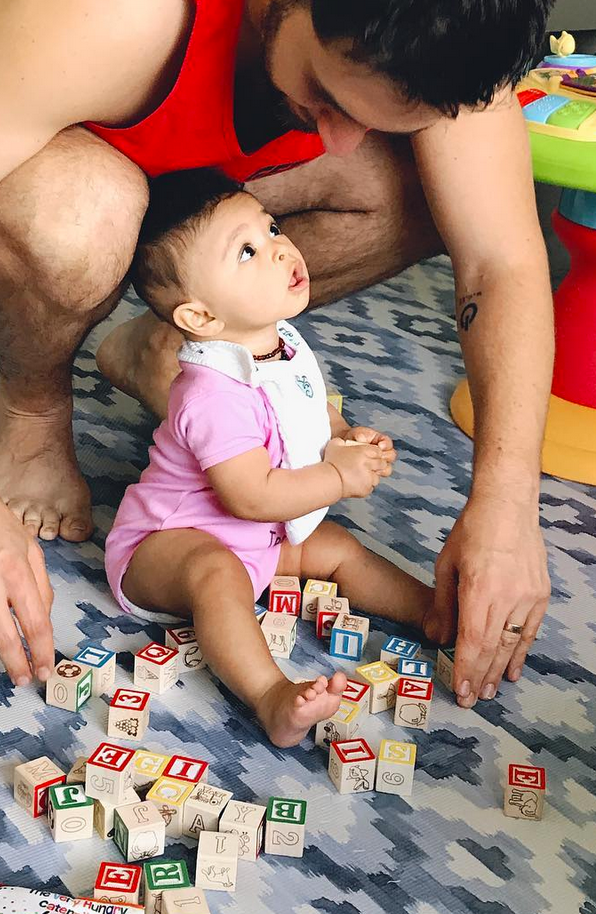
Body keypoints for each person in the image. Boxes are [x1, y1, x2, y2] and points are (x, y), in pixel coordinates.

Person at [0, 0, 555, 709]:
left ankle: (184, 347)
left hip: (216, 209)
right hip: (58, 146)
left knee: (432, 189)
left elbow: (501, 262)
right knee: (78, 219)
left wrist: (506, 502)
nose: (338, 141)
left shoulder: (452, 7)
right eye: (326, 96)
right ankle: (28, 406)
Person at [105, 168, 434, 746]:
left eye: (273, 227)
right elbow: (249, 495)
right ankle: (269, 694)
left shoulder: (281, 340)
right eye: (250, 251)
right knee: (217, 573)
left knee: (338, 550)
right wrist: (336, 479)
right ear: (201, 319)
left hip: (260, 540)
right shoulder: (210, 394)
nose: (282, 249)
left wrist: (345, 436)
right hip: (164, 544)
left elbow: (309, 411)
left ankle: (432, 611)